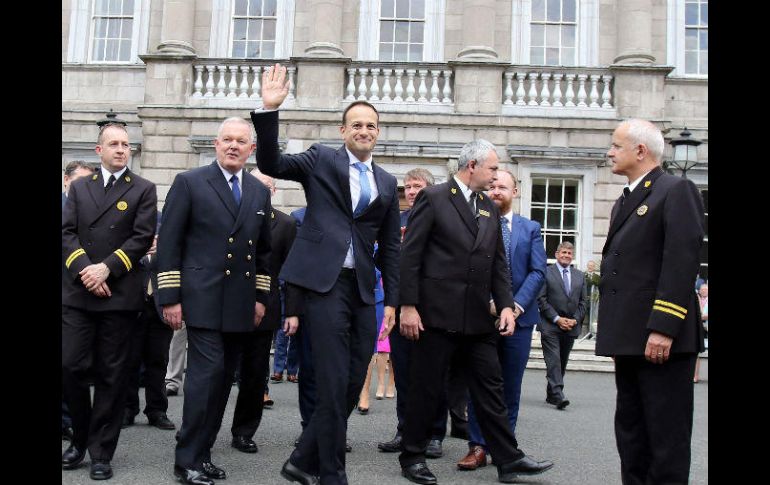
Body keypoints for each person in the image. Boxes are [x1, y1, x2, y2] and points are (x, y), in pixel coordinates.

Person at [253, 64, 401, 485]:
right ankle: (331, 473)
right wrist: (269, 110)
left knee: (354, 376)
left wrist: (392, 300)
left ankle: (302, 459)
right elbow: (273, 161)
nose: (364, 131)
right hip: (322, 285)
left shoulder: (387, 182)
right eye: (356, 124)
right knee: (334, 380)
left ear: (377, 133)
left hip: (361, 290)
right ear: (343, 131)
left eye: (371, 125)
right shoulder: (321, 159)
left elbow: (391, 247)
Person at [397, 140, 553, 484]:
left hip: (478, 319)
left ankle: (508, 459)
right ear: (472, 167)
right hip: (436, 316)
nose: (496, 176)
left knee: (491, 388)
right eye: (493, 168)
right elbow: (411, 255)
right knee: (427, 390)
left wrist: (508, 306)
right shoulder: (434, 198)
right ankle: (412, 457)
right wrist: (408, 305)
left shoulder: (487, 206)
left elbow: (497, 264)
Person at [157, 117, 273, 485]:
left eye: (241, 141)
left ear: (251, 149)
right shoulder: (190, 182)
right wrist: (170, 297)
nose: (233, 146)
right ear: (216, 143)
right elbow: (170, 244)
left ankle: (203, 452)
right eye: (227, 140)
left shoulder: (258, 191)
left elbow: (265, 253)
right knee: (205, 379)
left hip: (240, 303)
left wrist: (260, 298)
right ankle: (186, 459)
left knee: (223, 381)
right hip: (202, 298)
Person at [598, 119, 705, 484]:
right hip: (630, 339)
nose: (610, 152)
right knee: (631, 434)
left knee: (666, 438)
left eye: (616, 145)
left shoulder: (676, 190)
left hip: (661, 341)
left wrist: (663, 327)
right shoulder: (625, 200)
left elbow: (681, 260)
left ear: (640, 151)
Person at [62, 122, 157, 480]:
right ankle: (81, 436)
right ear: (98, 150)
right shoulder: (81, 187)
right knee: (69, 365)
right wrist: (87, 271)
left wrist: (107, 270)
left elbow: (142, 236)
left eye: (126, 144)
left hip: (118, 296)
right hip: (79, 292)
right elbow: (67, 233)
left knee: (111, 375)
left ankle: (101, 452)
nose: (121, 149)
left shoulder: (144, 189)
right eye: (114, 144)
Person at [457, 168, 551, 472]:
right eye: (492, 186)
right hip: (481, 319)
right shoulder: (475, 224)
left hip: (519, 321)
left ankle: (504, 450)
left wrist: (515, 307)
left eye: (503, 187)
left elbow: (538, 272)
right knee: (479, 385)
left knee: (510, 386)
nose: (496, 192)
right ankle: (478, 446)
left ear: (516, 192)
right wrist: (489, 304)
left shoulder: (530, 228)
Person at [230, 170, 301, 454]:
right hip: (225, 306)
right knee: (216, 375)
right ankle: (200, 429)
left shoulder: (285, 224)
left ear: (272, 192)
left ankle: (244, 431)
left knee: (255, 373)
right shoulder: (230, 215)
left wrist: (292, 311)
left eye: (267, 186)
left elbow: (293, 272)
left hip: (263, 310)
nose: (261, 190)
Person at [123, 214, 176, 431]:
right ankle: (127, 409)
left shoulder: (167, 236)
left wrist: (161, 251)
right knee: (129, 362)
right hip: (132, 308)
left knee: (158, 361)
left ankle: (157, 410)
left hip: (160, 308)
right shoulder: (128, 236)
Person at [61, 160, 96, 442]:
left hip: (75, 295)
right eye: (79, 182)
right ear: (66, 181)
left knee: (70, 363)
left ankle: (69, 420)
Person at [536, 241, 588, 410]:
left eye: (569, 253)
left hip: (571, 326)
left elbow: (583, 302)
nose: (566, 255)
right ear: (557, 254)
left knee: (562, 361)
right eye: (563, 252)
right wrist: (557, 318)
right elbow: (541, 299)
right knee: (553, 361)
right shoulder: (546, 272)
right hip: (550, 325)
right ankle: (559, 395)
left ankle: (551, 394)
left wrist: (575, 319)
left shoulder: (580, 276)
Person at [694, 283, 708, 382]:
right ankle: (695, 376)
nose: (703, 291)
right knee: (697, 352)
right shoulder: (696, 298)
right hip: (699, 326)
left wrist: (700, 316)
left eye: (705, 290)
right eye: (702, 289)